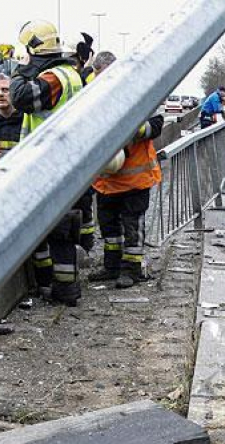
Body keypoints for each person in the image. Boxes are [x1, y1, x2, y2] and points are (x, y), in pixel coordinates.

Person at [11, 19, 85, 306]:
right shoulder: (70, 74)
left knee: (55, 229)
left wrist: (20, 72)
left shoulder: (56, 76)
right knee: (58, 228)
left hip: (49, 167)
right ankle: (57, 287)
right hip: (61, 164)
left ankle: (58, 289)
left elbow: (22, 98)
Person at [89, 51, 163, 289]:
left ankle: (132, 270)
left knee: (133, 227)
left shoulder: (139, 94)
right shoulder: (91, 97)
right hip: (107, 180)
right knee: (109, 227)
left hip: (135, 179)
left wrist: (132, 130)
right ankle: (111, 267)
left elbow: (157, 124)